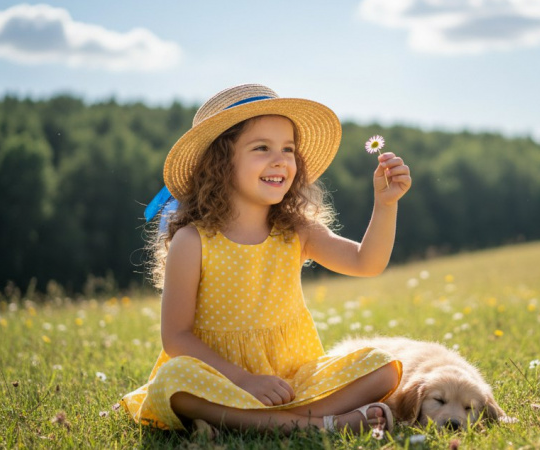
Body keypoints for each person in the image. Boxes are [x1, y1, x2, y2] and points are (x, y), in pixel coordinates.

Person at [120, 84, 412, 435]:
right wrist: (244, 380)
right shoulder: (192, 241)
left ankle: (274, 423)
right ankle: (314, 424)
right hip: (220, 379)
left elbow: (367, 262)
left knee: (381, 366)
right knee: (174, 380)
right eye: (262, 148)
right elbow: (177, 338)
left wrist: (386, 204)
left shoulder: (296, 230)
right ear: (220, 163)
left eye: (288, 149)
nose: (280, 160)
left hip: (292, 379)